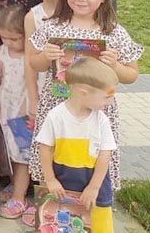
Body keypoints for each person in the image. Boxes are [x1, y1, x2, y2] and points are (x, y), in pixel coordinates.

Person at [28, 0, 142, 196]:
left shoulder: (112, 32)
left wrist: (115, 66)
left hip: (96, 112)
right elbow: (35, 64)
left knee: (90, 156)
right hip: (58, 105)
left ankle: (92, 203)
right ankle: (53, 207)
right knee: (56, 153)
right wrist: (45, 56)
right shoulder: (53, 27)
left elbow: (131, 74)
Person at [36, 57, 119, 232]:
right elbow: (45, 148)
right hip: (63, 179)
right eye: (106, 97)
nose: (110, 102)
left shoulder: (101, 120)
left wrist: (94, 186)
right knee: (59, 223)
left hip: (94, 181)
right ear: (83, 92)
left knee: (99, 224)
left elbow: (105, 154)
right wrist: (50, 179)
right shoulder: (55, 116)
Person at [0, 5, 33, 223]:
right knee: (10, 152)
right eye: (4, 38)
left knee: (23, 157)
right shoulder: (1, 52)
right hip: (6, 108)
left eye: (15, 39)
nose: (9, 43)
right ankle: (16, 184)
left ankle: (19, 197)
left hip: (24, 113)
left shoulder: (31, 56)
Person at [24, 0, 65, 116]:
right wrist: (33, 98)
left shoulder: (79, 10)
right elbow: (29, 60)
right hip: (46, 87)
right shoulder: (33, 17)